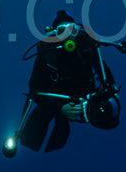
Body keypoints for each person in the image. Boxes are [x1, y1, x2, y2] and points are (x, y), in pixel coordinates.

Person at [18, 10, 120, 152]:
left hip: (84, 93)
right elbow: (34, 89)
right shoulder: (47, 51)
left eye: (72, 29)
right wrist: (60, 107)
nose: (68, 35)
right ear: (55, 34)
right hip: (56, 96)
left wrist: (108, 90)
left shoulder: (87, 45)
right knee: (41, 119)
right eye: (62, 31)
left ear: (77, 30)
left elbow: (103, 71)